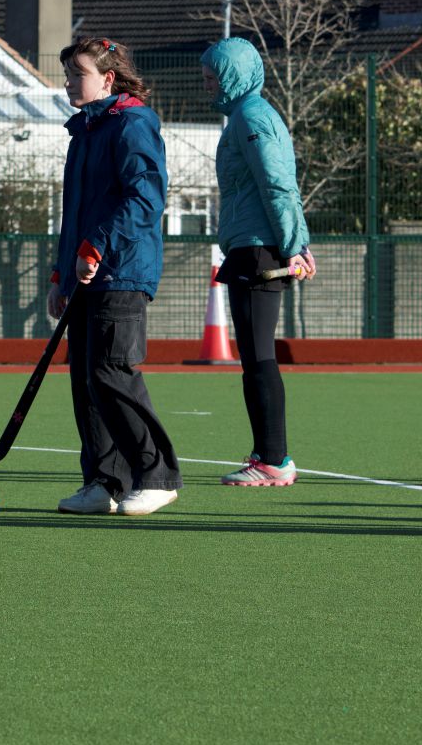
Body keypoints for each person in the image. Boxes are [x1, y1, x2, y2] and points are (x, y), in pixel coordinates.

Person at [50, 37, 182, 516]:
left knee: (111, 370)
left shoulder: (132, 124)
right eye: (67, 74)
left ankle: (158, 475)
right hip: (85, 274)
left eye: (77, 73)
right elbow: (77, 212)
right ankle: (104, 482)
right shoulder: (85, 130)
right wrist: (60, 274)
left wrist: (98, 245)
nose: (68, 82)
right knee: (85, 376)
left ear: (107, 78)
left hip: (121, 272)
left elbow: (145, 198)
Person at [200, 38, 316, 487]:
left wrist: (294, 244)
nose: (206, 83)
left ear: (233, 75)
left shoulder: (251, 117)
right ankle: (267, 452)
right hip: (254, 246)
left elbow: (277, 184)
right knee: (254, 355)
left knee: (258, 356)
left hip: (259, 250)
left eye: (213, 75)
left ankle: (273, 459)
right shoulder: (245, 116)